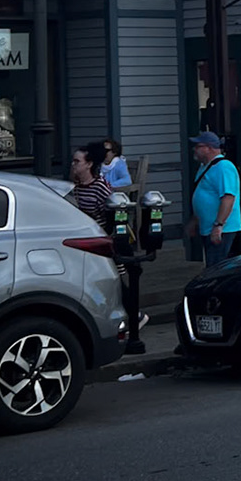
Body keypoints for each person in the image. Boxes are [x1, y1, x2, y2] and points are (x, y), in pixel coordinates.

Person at [71, 142, 146, 354]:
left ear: (89, 164)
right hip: (86, 242)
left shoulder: (100, 187)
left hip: (104, 241)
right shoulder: (76, 187)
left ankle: (135, 316)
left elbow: (113, 215)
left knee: (117, 281)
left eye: (77, 161)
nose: (73, 165)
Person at [189, 132, 241, 268]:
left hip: (222, 228)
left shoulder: (223, 167)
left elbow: (228, 198)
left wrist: (219, 225)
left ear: (209, 148)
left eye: (198, 146)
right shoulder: (205, 167)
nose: (194, 149)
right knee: (212, 264)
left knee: (216, 266)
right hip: (207, 227)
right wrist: (195, 220)